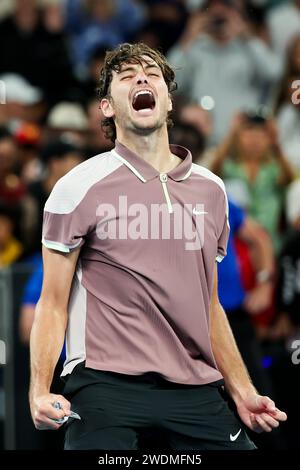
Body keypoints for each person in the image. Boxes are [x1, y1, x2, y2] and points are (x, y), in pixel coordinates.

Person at [29, 42, 287, 450]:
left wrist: (241, 390)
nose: (141, 78)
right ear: (107, 107)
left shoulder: (211, 191)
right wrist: (40, 390)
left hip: (196, 390)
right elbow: (52, 302)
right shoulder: (76, 187)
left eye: (151, 73)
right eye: (127, 76)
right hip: (104, 385)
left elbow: (210, 305)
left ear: (168, 101)